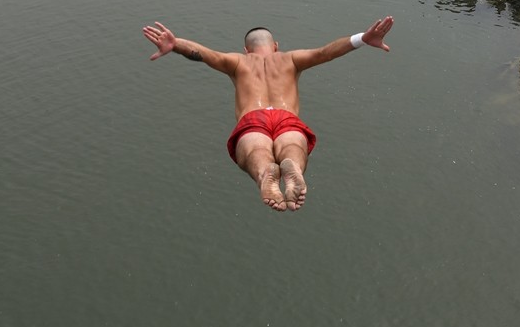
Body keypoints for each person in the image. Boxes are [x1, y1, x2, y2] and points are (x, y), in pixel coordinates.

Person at [140, 17, 394, 211]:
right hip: (286, 118)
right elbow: (324, 53)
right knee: (293, 147)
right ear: (275, 46)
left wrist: (176, 45)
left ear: (246, 49)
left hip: (254, 119)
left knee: (254, 154)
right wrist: (362, 38)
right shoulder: (290, 59)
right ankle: (293, 168)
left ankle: (265, 175)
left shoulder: (237, 61)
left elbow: (205, 55)